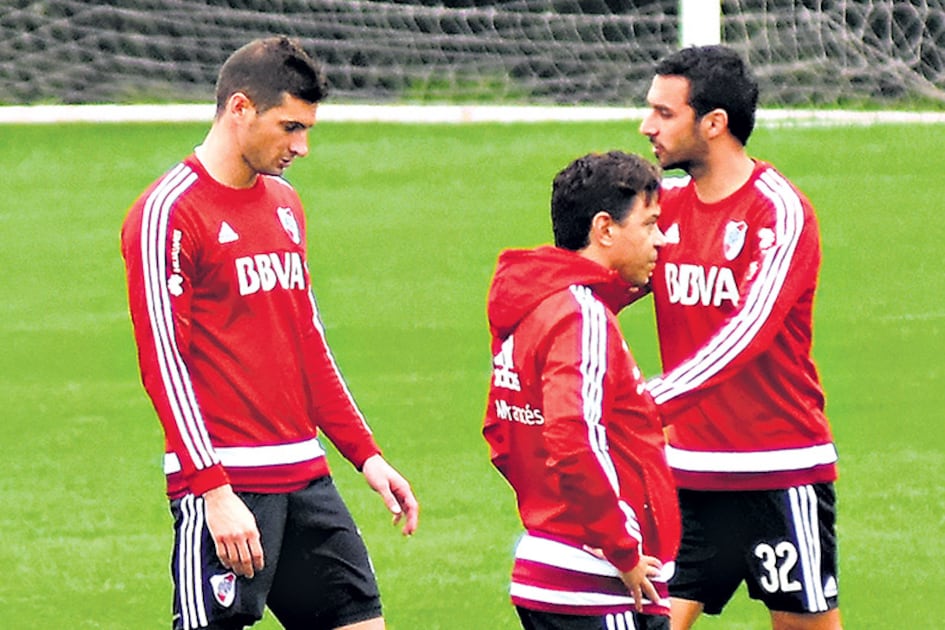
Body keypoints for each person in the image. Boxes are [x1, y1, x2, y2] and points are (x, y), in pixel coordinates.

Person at [120, 36, 419, 630]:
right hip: (228, 485)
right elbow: (164, 364)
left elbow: (306, 340)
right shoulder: (168, 214)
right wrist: (212, 492)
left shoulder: (285, 203)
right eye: (289, 128)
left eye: (307, 129)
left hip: (305, 476)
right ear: (239, 110)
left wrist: (366, 455)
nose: (302, 147)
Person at [638, 45, 841, 630]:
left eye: (664, 112)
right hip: (687, 479)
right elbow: (599, 289)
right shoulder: (665, 211)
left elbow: (747, 332)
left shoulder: (778, 212)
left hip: (777, 472)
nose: (646, 125)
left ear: (714, 123)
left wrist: (644, 404)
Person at [482, 151, 680, 630]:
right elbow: (573, 436)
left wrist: (550, 509)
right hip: (599, 586)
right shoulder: (580, 315)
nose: (661, 241)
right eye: (650, 224)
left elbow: (500, 434)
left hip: (551, 571)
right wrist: (621, 547)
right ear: (605, 229)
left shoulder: (531, 306)